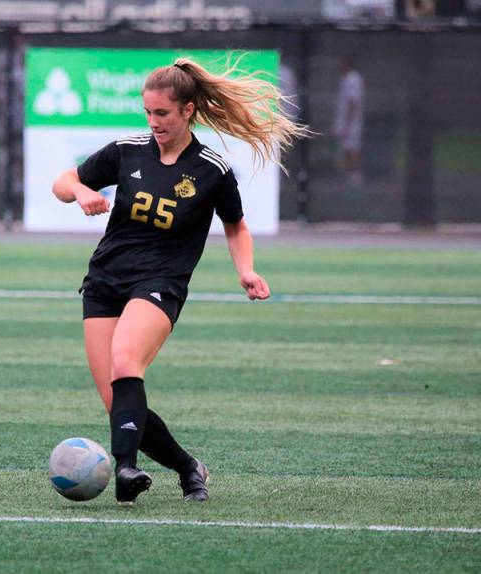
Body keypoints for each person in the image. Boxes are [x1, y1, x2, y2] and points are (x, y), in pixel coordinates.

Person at [52, 57, 309, 506]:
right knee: (118, 405)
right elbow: (63, 181)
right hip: (104, 280)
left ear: (188, 110)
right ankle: (189, 467)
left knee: (127, 359)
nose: (153, 122)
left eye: (163, 114)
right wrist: (81, 191)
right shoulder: (126, 150)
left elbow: (235, 225)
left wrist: (245, 270)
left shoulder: (212, 169)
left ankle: (126, 470)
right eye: (148, 113)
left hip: (161, 282)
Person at [333, 55, 364, 187]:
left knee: (352, 149)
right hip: (344, 121)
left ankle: (356, 177)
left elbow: (353, 102)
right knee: (345, 149)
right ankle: (349, 176)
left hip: (351, 122)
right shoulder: (345, 79)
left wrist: (348, 124)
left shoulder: (353, 79)